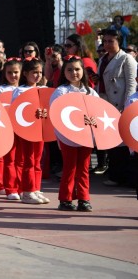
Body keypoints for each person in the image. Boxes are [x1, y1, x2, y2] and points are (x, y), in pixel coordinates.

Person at [51, 56, 98, 212]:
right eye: (69, 70)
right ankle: (65, 199)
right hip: (68, 136)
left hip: (86, 135)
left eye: (77, 69)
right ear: (64, 72)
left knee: (84, 167)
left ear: (82, 71)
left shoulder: (90, 91)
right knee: (70, 167)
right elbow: (55, 112)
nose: (74, 73)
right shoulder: (61, 91)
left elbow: (98, 111)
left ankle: (84, 198)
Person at [98, 28, 137, 187]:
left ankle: (120, 176)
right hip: (105, 105)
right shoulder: (102, 59)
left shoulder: (127, 59)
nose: (107, 44)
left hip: (120, 105)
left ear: (119, 42)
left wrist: (127, 107)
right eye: (105, 41)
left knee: (122, 144)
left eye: (110, 41)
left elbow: (131, 85)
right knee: (111, 142)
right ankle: (114, 173)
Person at [12, 57, 49, 204]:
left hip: (40, 129)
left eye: (40, 72)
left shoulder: (44, 89)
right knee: (28, 160)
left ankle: (35, 188)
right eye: (34, 72)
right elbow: (16, 111)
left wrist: (44, 113)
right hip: (26, 129)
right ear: (25, 73)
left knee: (37, 160)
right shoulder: (19, 90)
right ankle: (27, 191)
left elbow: (49, 107)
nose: (38, 75)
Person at [0, 58, 22, 200]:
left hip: (23, 129)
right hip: (6, 129)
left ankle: (24, 187)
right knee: (9, 160)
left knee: (22, 160)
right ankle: (11, 189)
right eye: (9, 72)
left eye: (16, 72)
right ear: (4, 73)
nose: (13, 75)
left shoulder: (24, 89)